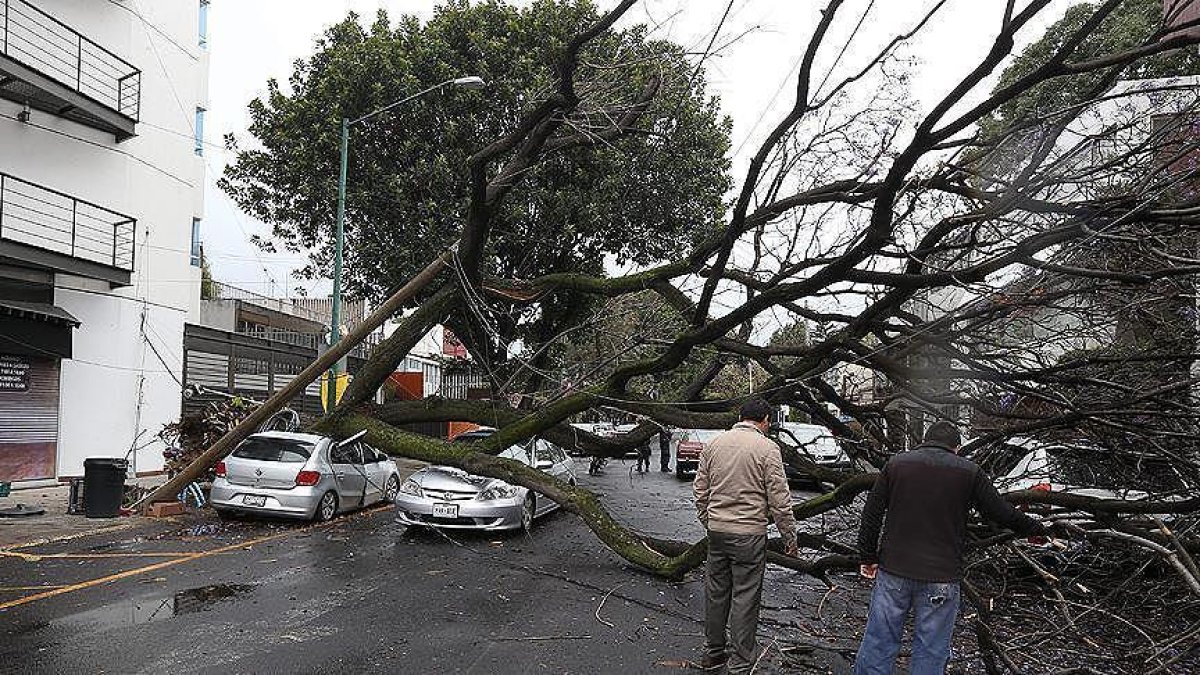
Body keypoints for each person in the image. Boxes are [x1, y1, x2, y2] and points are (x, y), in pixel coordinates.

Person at [854, 421, 1050, 675]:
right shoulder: (970, 472)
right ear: (956, 448)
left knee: (879, 641)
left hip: (895, 571)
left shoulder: (896, 464)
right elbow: (1002, 513)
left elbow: (871, 514)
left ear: (924, 441)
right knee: (931, 650)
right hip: (942, 577)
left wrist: (868, 555)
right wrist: (1037, 530)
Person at [693, 399, 797, 673]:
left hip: (718, 532)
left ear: (739, 417)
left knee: (716, 594)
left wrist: (709, 520)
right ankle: (740, 663)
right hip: (749, 535)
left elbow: (700, 490)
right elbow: (780, 500)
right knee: (745, 599)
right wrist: (790, 537)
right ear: (764, 420)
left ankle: (712, 653)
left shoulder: (714, 445)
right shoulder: (767, 448)